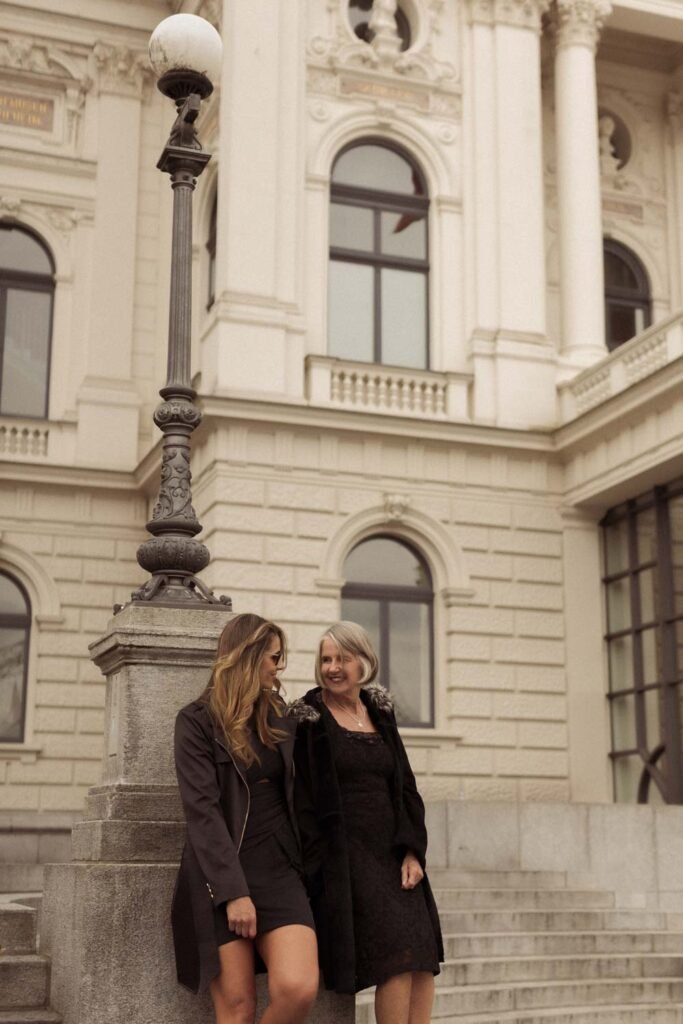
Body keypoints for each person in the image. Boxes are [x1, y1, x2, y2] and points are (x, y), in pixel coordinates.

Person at [291, 620, 443, 1024]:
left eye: (343, 658)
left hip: (394, 853)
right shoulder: (308, 718)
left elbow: (406, 786)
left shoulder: (380, 711)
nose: (333, 667)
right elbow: (302, 801)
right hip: (347, 858)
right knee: (395, 957)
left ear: (364, 662)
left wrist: (412, 850)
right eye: (326, 659)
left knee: (423, 957)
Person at [171, 613, 318, 1024]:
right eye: (274, 657)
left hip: (281, 870)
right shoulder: (197, 722)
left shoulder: (279, 717)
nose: (279, 666)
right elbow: (202, 811)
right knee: (237, 1009)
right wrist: (232, 892)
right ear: (250, 658)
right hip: (221, 876)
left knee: (298, 987)